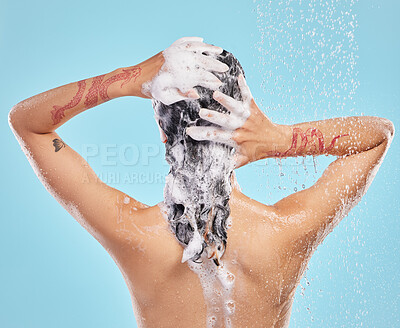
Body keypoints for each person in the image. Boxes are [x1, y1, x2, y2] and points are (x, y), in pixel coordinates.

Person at [8, 37, 394, 328]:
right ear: (242, 126)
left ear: (163, 132)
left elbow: (29, 123)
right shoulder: (287, 230)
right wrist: (278, 140)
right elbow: (378, 136)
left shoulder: (131, 232)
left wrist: (130, 79)